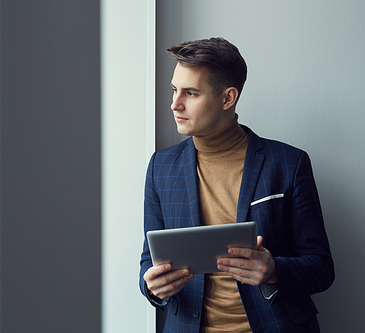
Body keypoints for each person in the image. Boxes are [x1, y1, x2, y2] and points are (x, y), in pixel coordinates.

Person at [139, 37, 334, 333]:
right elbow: (148, 261)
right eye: (175, 90)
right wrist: (152, 287)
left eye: (190, 93)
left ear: (228, 98)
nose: (174, 104)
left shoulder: (289, 162)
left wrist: (273, 271)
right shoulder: (160, 167)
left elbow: (321, 268)